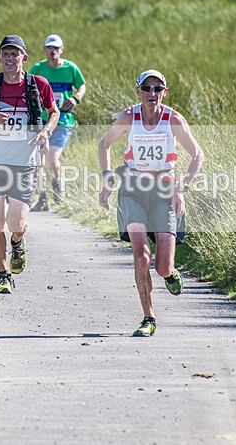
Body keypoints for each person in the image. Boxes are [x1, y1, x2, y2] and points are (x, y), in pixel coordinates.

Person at [98, 69, 204, 337]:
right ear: (138, 91)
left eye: (158, 89)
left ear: (165, 92)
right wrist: (107, 178)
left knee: (162, 265)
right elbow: (104, 144)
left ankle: (169, 274)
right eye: (147, 88)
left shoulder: (173, 120)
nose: (152, 94)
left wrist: (182, 188)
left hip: (164, 189)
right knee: (142, 257)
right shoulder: (128, 117)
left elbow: (197, 154)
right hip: (133, 189)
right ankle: (148, 317)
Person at [0, 35, 60, 294]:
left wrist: (46, 132)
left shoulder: (38, 84)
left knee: (15, 224)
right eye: (5, 54)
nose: (10, 59)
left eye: (15, 54)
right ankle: (3, 274)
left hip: (26, 163)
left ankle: (18, 241)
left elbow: (54, 112)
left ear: (24, 58)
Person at [28, 34, 87, 211]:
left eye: (56, 48)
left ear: (61, 50)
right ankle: (43, 198)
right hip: (41, 122)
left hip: (62, 120)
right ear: (45, 50)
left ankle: (57, 182)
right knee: (39, 161)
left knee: (53, 159)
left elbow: (82, 85)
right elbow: (25, 86)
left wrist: (76, 98)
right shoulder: (38, 68)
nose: (52, 51)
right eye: (49, 48)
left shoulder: (70, 68)